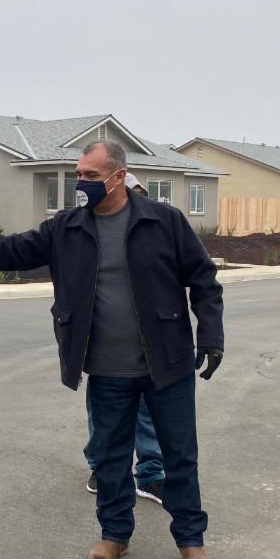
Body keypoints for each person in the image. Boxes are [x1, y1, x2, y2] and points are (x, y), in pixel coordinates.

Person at [0, 141, 223, 559]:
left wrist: (210, 334)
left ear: (119, 177)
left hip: (166, 364)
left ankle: (191, 541)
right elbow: (11, 250)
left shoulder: (163, 221)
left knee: (180, 457)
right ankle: (114, 535)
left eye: (91, 176)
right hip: (106, 367)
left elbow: (203, 279)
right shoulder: (68, 227)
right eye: (79, 174)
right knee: (110, 458)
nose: (81, 183)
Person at [85, 171, 166, 502]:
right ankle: (101, 466)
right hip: (105, 346)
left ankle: (150, 473)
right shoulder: (91, 233)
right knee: (105, 414)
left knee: (147, 411)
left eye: (139, 196)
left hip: (147, 345)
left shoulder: (155, 233)